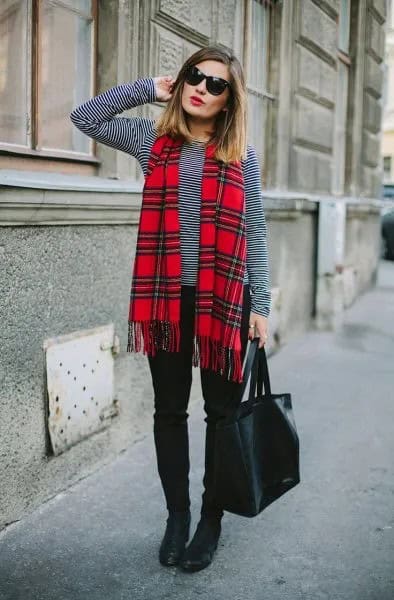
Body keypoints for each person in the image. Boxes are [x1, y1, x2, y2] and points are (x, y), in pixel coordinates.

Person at [70, 45, 270, 572]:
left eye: (216, 84)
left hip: (225, 298)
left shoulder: (239, 155)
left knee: (222, 415)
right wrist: (146, 87)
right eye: (194, 77)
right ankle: (176, 516)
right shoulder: (151, 142)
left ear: (230, 101)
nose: (201, 87)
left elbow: (255, 230)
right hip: (166, 297)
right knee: (170, 411)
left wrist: (263, 305)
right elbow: (83, 116)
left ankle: (210, 520)